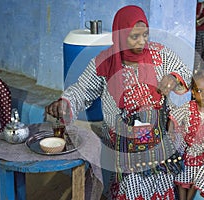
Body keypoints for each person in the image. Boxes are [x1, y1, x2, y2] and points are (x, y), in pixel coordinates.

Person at [45, 5, 192, 200]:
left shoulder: (160, 54)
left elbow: (186, 74)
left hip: (158, 135)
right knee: (131, 186)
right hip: (123, 140)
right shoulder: (104, 62)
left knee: (161, 182)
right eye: (134, 36)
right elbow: (81, 90)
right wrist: (66, 103)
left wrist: (174, 79)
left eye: (145, 35)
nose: (142, 42)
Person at [169, 69, 204, 200]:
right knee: (183, 175)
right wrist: (171, 131)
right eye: (200, 91)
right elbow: (173, 118)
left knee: (202, 177)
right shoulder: (188, 107)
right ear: (193, 93)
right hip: (189, 151)